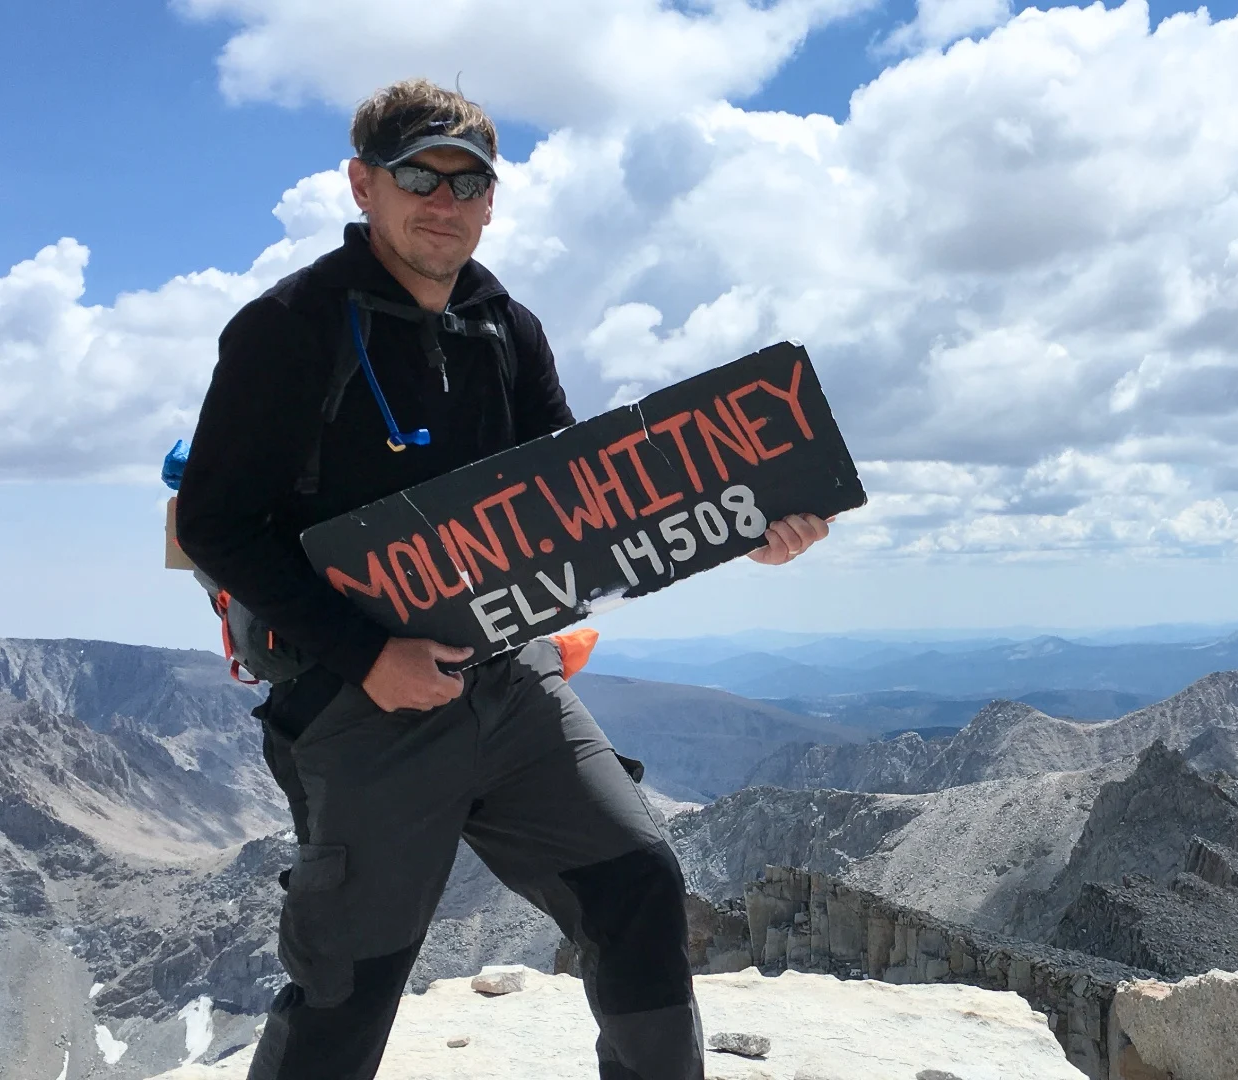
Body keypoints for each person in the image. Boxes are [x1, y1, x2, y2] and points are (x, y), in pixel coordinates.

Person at [175, 79, 828, 1080]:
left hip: (510, 682)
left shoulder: (505, 328)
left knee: (640, 884)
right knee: (347, 984)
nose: (445, 200)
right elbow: (217, 522)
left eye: (468, 180)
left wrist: (741, 524)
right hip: (358, 704)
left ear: (492, 197)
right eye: (418, 175)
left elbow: (583, 495)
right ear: (363, 184)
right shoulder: (287, 329)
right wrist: (368, 656)